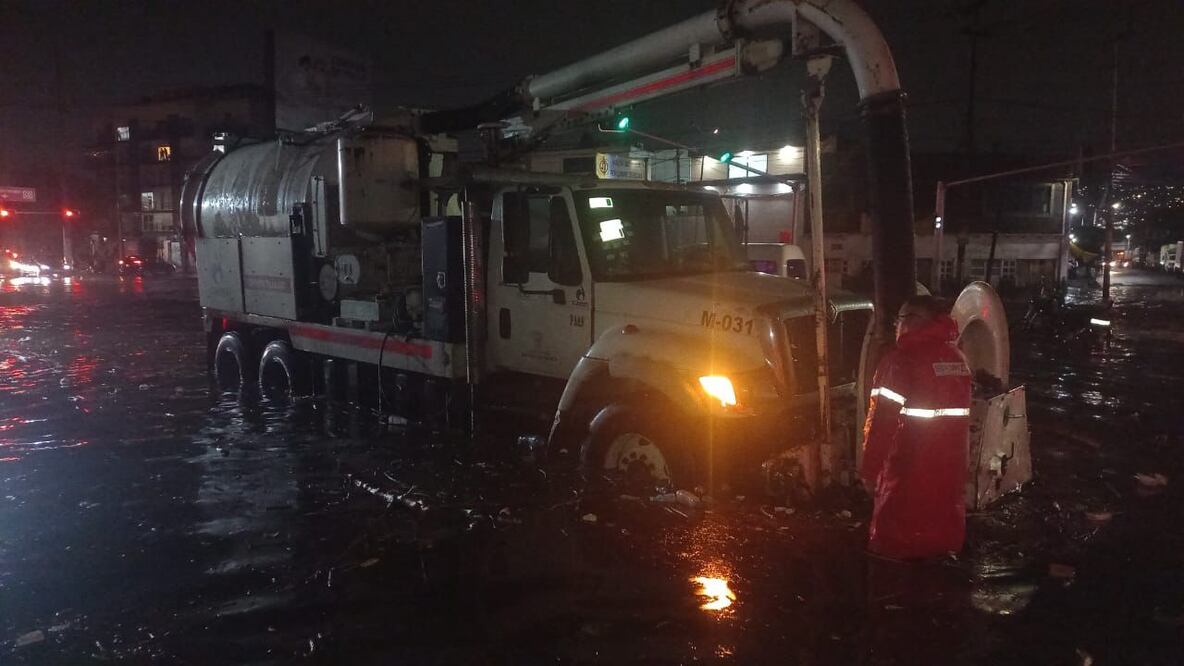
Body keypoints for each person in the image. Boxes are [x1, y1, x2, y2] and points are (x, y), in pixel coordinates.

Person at [861, 295, 971, 560]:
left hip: (907, 464)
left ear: (916, 322)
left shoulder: (900, 361)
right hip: (950, 466)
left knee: (898, 534)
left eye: (903, 318)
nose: (898, 324)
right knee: (940, 520)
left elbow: (882, 422)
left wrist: (869, 469)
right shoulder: (957, 358)